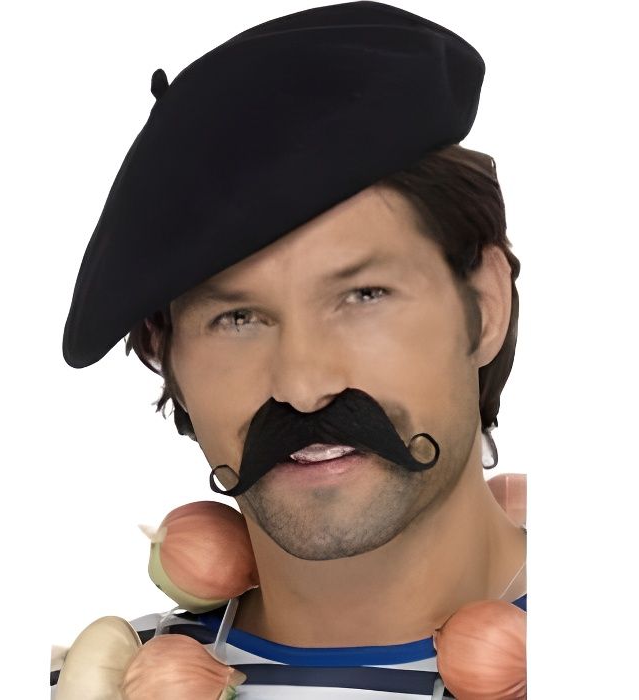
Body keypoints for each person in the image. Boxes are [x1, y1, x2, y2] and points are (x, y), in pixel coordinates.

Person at [54, 2, 526, 697]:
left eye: (363, 295)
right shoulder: (100, 684)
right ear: (164, 354)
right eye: (238, 318)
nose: (304, 388)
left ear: (484, 305)